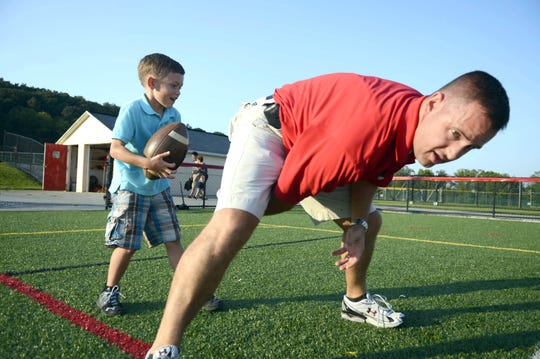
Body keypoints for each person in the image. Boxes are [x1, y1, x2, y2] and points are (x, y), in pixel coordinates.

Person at [145, 71, 509, 358]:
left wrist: (358, 225)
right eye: (455, 133)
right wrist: (348, 221)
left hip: (320, 140)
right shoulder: (363, 131)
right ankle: (164, 347)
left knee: (372, 221)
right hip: (271, 127)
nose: (454, 152)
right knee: (232, 225)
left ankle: (354, 302)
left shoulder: (414, 120)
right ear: (435, 103)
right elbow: (281, 198)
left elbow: (371, 172)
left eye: (470, 146)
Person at [96, 53, 222, 316]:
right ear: (152, 82)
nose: (178, 92)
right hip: (132, 186)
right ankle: (109, 292)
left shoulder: (174, 114)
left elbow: (169, 151)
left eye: (180, 87)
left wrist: (169, 164)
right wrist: (147, 163)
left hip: (159, 187)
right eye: (173, 86)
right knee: (127, 245)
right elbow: (116, 149)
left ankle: (195, 291)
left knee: (174, 240)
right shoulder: (132, 109)